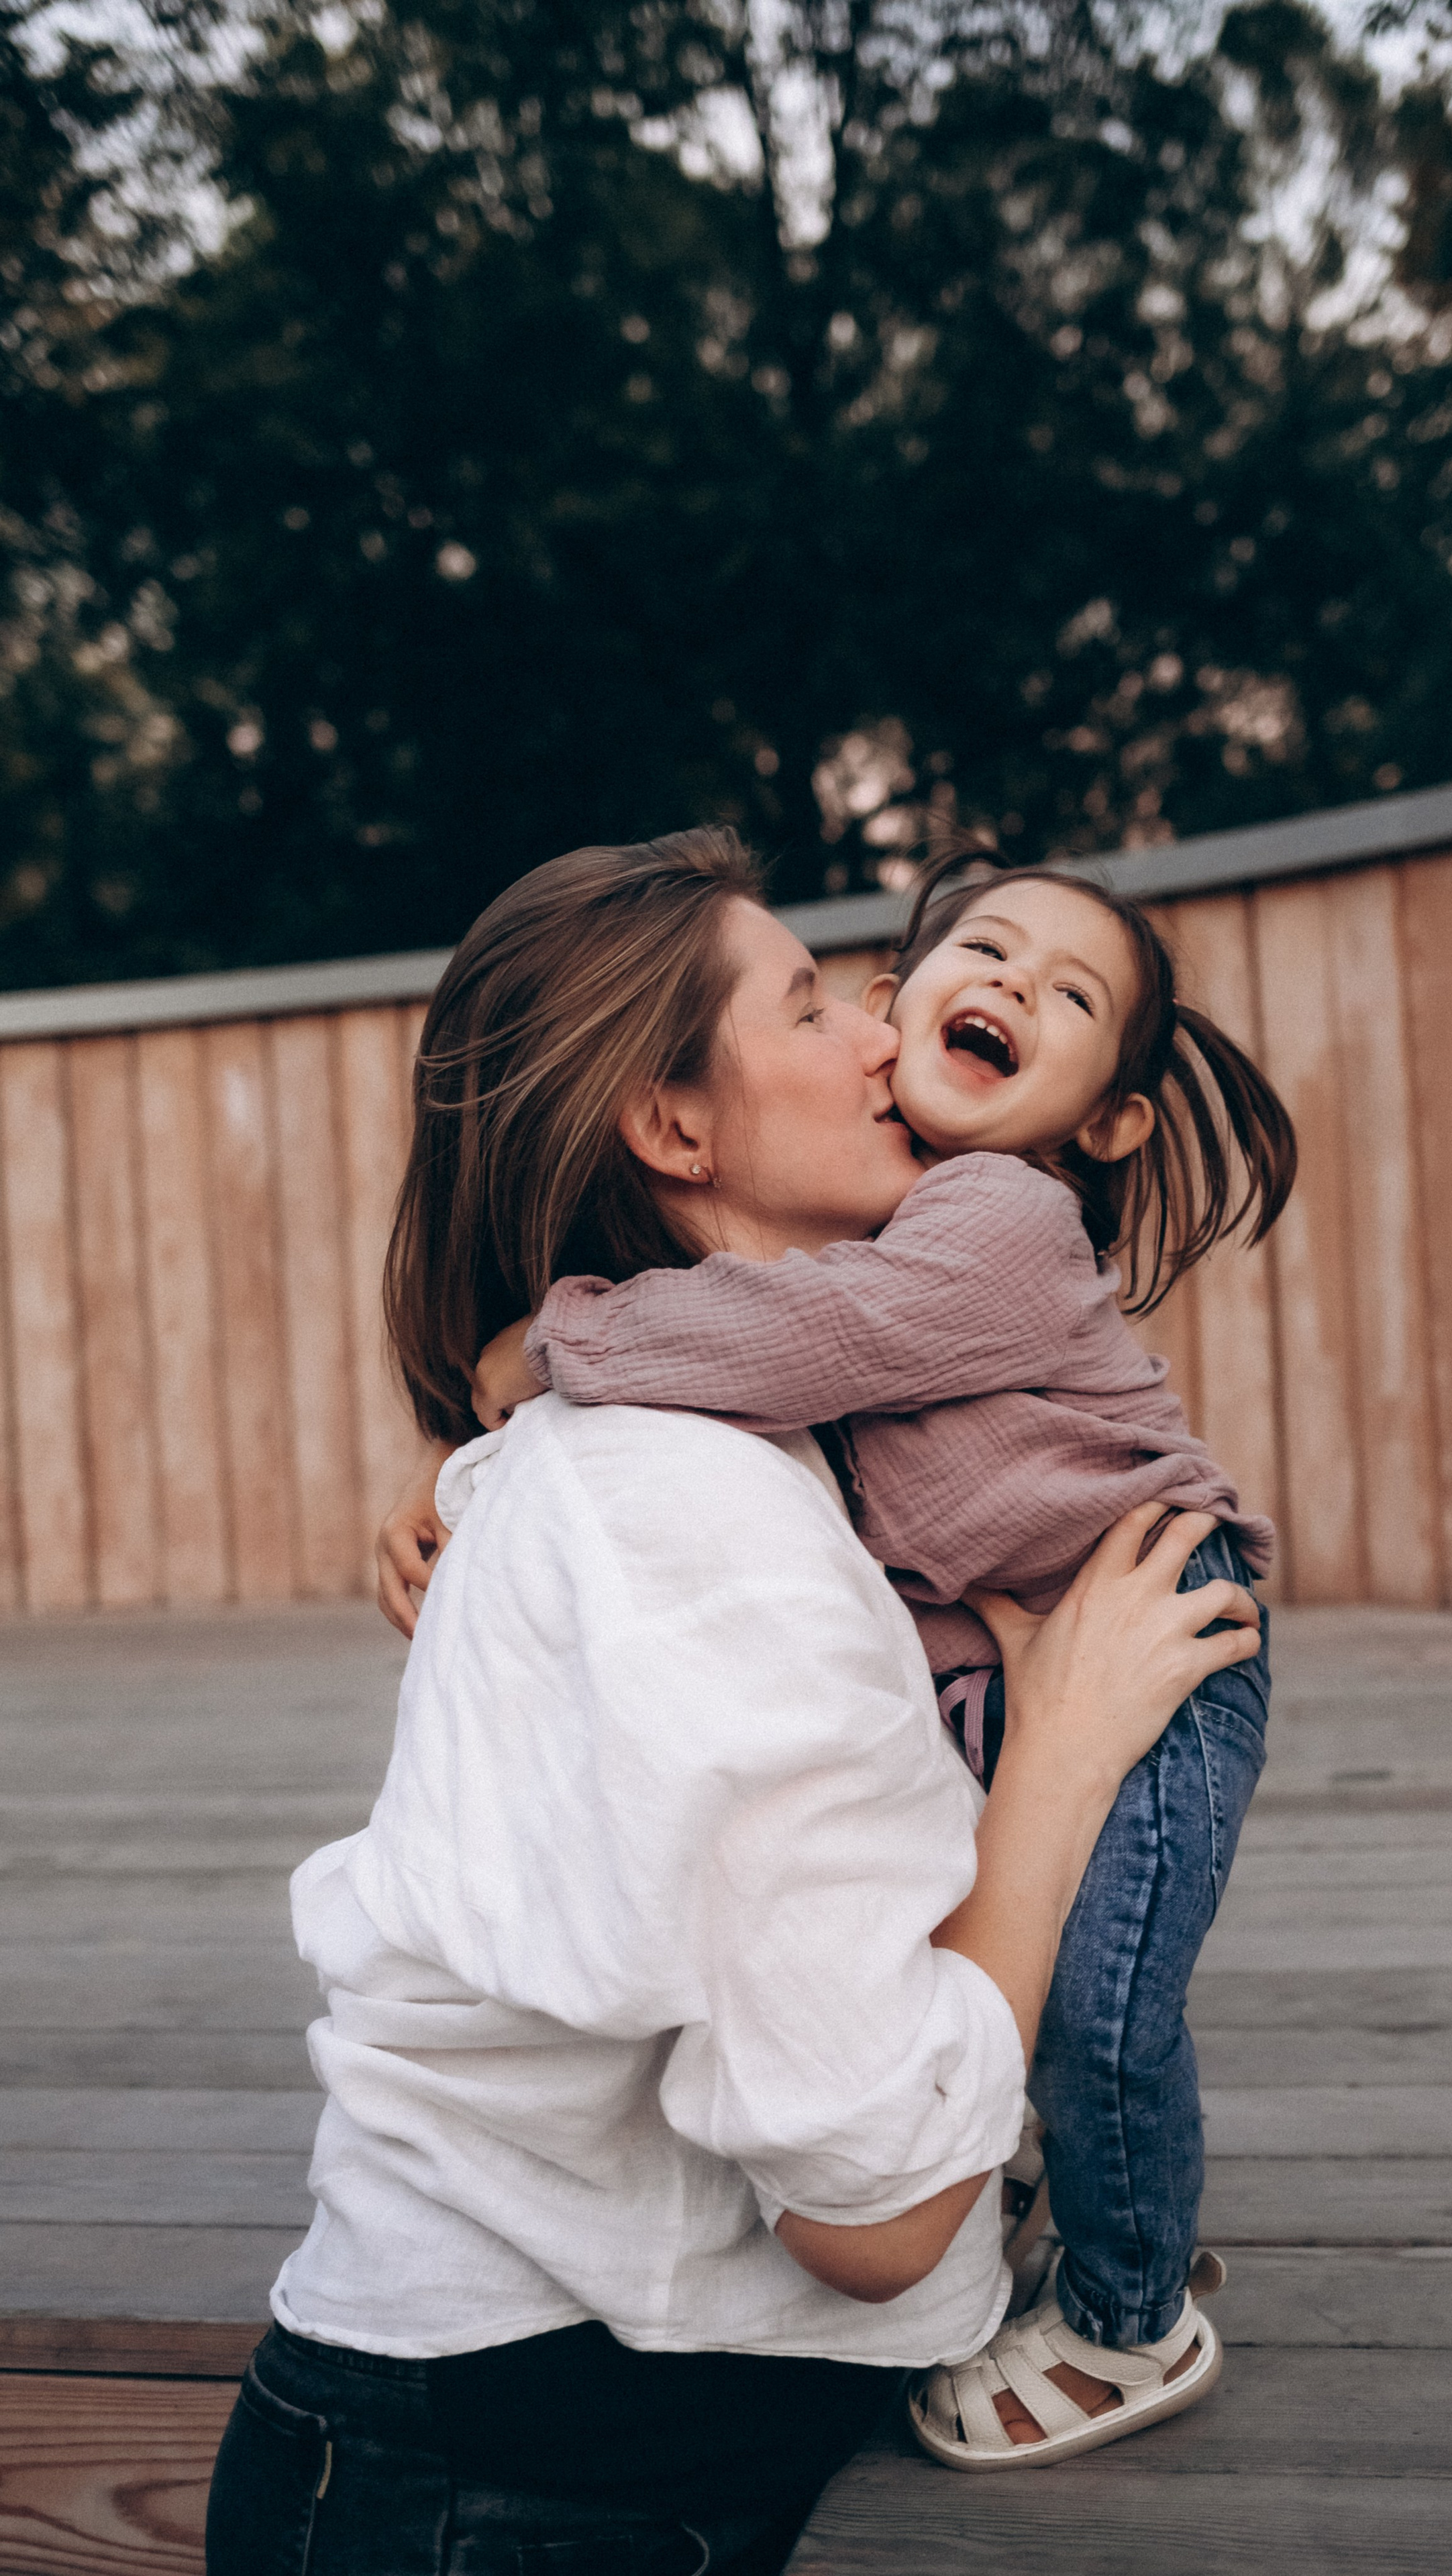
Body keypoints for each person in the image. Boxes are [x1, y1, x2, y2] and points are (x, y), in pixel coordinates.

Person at [208, 827, 1260, 2573]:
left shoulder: (684, 1454)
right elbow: (879, 2218)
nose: (880, 1030)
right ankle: (1131, 2301)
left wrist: (478, 1438)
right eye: (812, 1006)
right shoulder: (696, 1521)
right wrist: (1063, 1758)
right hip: (527, 2486)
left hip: (521, 2431)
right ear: (676, 1126)